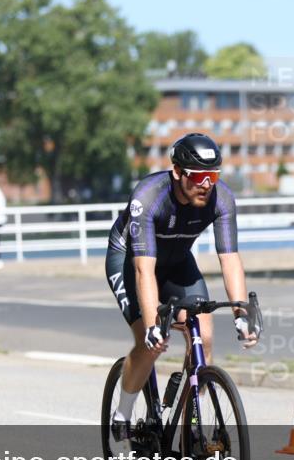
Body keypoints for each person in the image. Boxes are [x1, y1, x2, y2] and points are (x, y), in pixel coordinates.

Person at [105, 133, 259, 439]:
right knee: (150, 345)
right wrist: (153, 326)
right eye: (199, 176)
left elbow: (229, 260)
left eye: (213, 175)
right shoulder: (148, 197)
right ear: (177, 172)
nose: (207, 184)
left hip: (177, 262)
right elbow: (143, 270)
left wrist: (242, 313)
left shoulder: (222, 198)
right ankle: (122, 413)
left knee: (205, 333)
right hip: (131, 262)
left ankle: (191, 422)